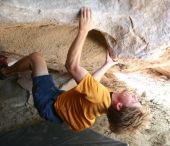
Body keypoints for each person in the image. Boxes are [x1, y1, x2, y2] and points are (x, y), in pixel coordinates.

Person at [0, 7, 150, 133]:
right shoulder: (105, 103)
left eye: (134, 101)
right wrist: (107, 64)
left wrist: (84, 30)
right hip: (59, 108)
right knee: (70, 85)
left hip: (48, 103)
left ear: (119, 106)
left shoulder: (99, 97)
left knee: (36, 58)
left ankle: (5, 72)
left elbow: (71, 66)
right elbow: (93, 85)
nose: (135, 96)